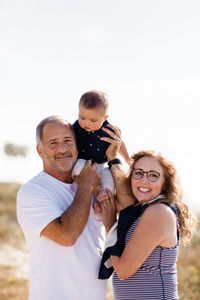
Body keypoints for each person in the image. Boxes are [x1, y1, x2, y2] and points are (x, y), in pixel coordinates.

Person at [17, 115, 113, 300]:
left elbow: (117, 224)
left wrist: (114, 158)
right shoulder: (32, 191)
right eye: (53, 143)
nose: (62, 149)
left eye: (68, 141)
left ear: (77, 145)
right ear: (40, 150)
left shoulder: (94, 184)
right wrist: (86, 186)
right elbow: (67, 236)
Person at [97, 125, 193, 300]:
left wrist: (110, 224)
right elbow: (125, 197)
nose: (144, 180)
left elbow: (124, 270)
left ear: (165, 182)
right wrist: (113, 157)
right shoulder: (143, 210)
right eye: (138, 173)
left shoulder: (159, 213)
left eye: (153, 175)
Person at [72, 90, 131, 202]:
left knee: (109, 181)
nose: (87, 123)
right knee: (77, 169)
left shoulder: (108, 129)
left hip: (102, 165)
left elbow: (119, 142)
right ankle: (97, 190)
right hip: (83, 162)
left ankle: (103, 203)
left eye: (93, 120)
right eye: (82, 117)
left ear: (104, 118)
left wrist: (127, 158)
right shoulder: (75, 127)